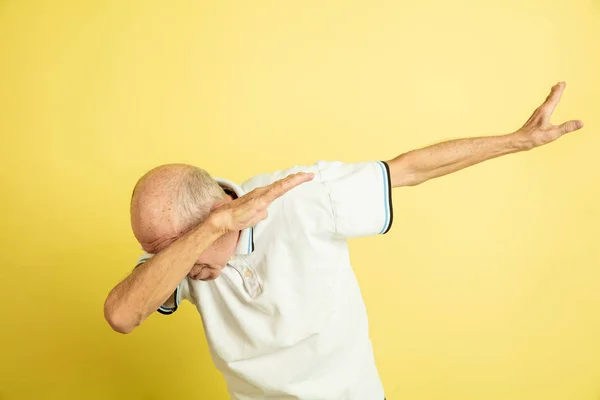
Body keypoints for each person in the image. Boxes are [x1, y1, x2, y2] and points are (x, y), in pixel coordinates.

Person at [104, 82, 583, 400]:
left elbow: (410, 169)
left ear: (212, 209)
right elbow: (123, 316)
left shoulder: (300, 199)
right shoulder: (183, 249)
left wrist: (517, 141)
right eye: (165, 254)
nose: (177, 266)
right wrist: (208, 233)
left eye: (174, 250)